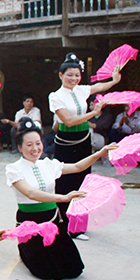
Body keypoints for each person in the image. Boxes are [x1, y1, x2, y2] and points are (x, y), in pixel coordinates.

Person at [6, 117, 118, 280]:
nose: (35, 148)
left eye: (38, 143)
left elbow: (78, 167)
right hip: (30, 222)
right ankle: (25, 248)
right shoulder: (13, 169)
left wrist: (100, 153)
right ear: (19, 147)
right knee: (45, 272)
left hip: (53, 220)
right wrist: (63, 198)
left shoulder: (48, 164)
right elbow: (31, 193)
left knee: (74, 269)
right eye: (29, 145)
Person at [48, 52, 121, 240]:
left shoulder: (81, 90)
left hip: (83, 141)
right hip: (65, 142)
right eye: (70, 74)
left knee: (83, 180)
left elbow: (99, 86)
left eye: (77, 74)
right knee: (64, 182)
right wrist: (93, 113)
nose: (74, 78)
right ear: (60, 75)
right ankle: (64, 222)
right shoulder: (55, 96)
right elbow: (69, 121)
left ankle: (78, 224)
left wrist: (113, 81)